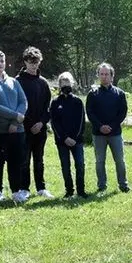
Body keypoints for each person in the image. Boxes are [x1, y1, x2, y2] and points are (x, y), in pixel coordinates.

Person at [0, 49, 29, 204]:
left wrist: (16, 122)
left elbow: (23, 101)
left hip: (17, 129)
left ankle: (16, 191)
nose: (0, 64)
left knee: (16, 161)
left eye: (2, 61)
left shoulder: (13, 81)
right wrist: (15, 115)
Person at [86, 63, 129, 193]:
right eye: (102, 74)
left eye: (106, 74)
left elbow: (122, 113)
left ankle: (123, 185)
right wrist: (100, 126)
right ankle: (101, 186)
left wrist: (111, 126)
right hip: (98, 134)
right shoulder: (93, 94)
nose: (104, 76)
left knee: (120, 161)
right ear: (98, 75)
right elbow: (90, 113)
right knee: (100, 161)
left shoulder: (119, 93)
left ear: (112, 76)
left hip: (115, 133)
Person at [17, 46, 54, 199]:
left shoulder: (43, 83)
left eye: (36, 62)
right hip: (23, 128)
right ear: (25, 61)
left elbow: (48, 107)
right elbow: (17, 105)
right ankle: (24, 188)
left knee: (39, 159)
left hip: (40, 128)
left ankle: (41, 187)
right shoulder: (17, 81)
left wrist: (41, 123)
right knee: (24, 160)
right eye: (31, 62)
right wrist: (28, 124)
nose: (34, 65)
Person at [50, 71, 87, 199]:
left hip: (77, 140)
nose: (66, 85)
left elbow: (81, 121)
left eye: (68, 82)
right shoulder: (55, 102)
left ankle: (81, 191)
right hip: (62, 141)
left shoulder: (77, 101)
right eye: (63, 83)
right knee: (65, 166)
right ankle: (69, 191)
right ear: (59, 85)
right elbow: (54, 123)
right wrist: (65, 138)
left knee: (80, 165)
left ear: (72, 84)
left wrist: (75, 138)